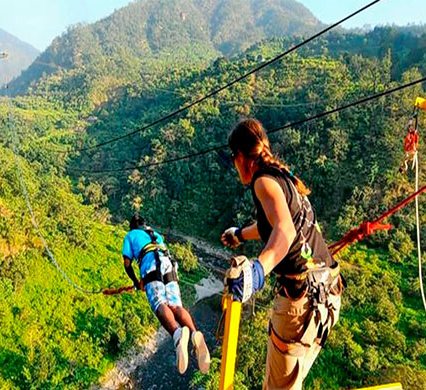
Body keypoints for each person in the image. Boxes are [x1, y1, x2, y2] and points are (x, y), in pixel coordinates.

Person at [221, 118, 343, 390]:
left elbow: (285, 232)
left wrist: (256, 272)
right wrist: (240, 234)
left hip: (300, 305)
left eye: (233, 158)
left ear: (241, 157)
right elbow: (274, 225)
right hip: (329, 293)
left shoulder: (262, 182)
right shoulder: (282, 176)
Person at [122, 215, 210, 375]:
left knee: (160, 304)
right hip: (168, 264)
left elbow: (127, 263)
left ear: (131, 227)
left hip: (150, 264)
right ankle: (194, 333)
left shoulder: (130, 235)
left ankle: (177, 335)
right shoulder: (154, 233)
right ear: (144, 224)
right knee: (176, 306)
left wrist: (136, 281)